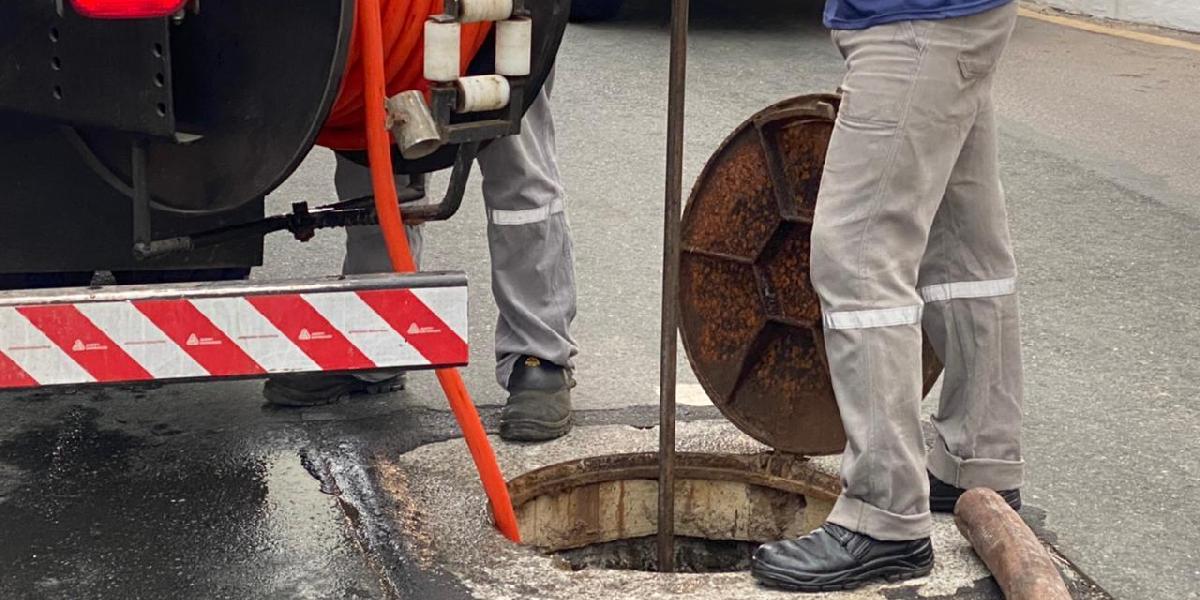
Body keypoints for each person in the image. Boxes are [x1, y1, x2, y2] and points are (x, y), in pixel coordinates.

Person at [751, 0, 1024, 592]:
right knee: (962, 245)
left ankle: (885, 516)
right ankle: (978, 459)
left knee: (858, 254)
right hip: (959, 16)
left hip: (913, 23)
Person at [263, 74, 579, 443]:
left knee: (516, 159)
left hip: (496, 26)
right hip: (385, 24)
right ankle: (376, 341)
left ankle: (539, 356)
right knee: (372, 166)